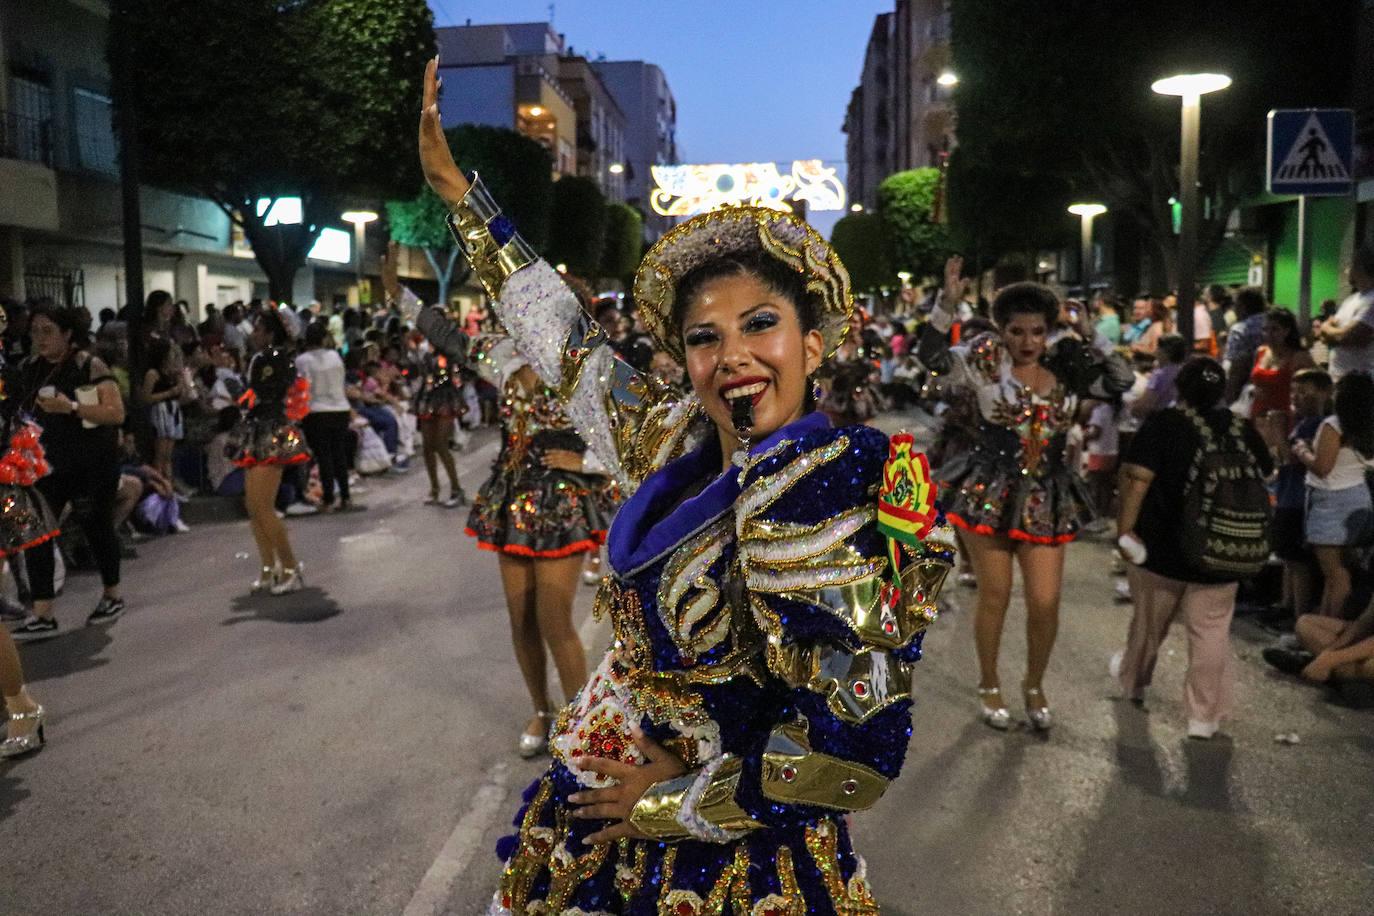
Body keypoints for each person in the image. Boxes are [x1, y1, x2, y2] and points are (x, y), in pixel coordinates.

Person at [416, 58, 952, 912]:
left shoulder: (838, 482)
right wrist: (460, 196)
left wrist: (674, 802)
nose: (732, 353)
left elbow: (855, 754)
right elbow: (564, 342)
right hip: (599, 816)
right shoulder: (672, 436)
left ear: (814, 346)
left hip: (734, 858)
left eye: (761, 324)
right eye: (706, 336)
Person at [930, 257, 1118, 732]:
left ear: (1049, 329)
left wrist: (1094, 335)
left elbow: (1123, 382)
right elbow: (932, 365)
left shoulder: (1070, 362)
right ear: (1002, 329)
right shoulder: (983, 360)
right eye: (1017, 331)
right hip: (989, 487)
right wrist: (944, 308)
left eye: (1037, 331)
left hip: (1048, 493)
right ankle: (990, 683)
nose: (1028, 342)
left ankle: (1034, 685)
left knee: (1045, 601)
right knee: (995, 594)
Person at [1113, 358, 1273, 738]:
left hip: (1165, 547)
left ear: (1179, 389)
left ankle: (1133, 683)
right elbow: (1265, 471)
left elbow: (1137, 478)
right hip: (1224, 546)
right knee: (1212, 631)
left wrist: (1125, 530)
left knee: (1149, 624)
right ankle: (1203, 717)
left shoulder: (1164, 425)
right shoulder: (1242, 428)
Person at [9, 304, 127, 637]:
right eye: (34, 331)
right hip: (46, 466)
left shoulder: (87, 365)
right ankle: (43, 614)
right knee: (37, 533)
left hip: (91, 464)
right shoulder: (28, 368)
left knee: (96, 526)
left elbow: (114, 413)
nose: (39, 338)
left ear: (68, 334)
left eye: (48, 331)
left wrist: (71, 406)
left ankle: (112, 594)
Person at [231, 309, 310, 595]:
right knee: (253, 506)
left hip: (272, 431)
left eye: (258, 329)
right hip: (260, 430)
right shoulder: (263, 358)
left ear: (271, 333)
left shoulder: (274, 359)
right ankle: (268, 568)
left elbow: (273, 395)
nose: (253, 334)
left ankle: (290, 566)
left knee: (262, 506)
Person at [1292, 371, 1374, 619]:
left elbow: (1322, 467)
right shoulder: (1368, 427)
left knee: (1336, 574)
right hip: (1358, 496)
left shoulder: (1335, 425)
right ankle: (1322, 626)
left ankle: (1327, 635)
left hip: (1332, 502)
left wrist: (1302, 450)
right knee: (1338, 573)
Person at [295, 320, 356, 512]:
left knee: (324, 456)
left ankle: (328, 498)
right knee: (339, 454)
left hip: (316, 412)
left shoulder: (303, 360)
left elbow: (303, 386)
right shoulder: (335, 356)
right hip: (340, 409)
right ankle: (345, 497)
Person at [1316, 243, 1374, 381]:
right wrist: (1329, 332)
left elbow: (1346, 337)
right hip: (1338, 378)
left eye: (1350, 267)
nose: (1346, 271)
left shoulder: (1372, 300)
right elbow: (1324, 337)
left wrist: (1327, 329)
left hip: (1361, 384)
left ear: (1359, 268)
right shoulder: (1351, 300)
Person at [1248, 308, 1315, 425]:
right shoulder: (1260, 352)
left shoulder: (1299, 357)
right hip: (1258, 415)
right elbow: (1253, 382)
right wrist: (1253, 391)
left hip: (1284, 418)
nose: (1268, 334)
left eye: (1274, 329)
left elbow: (1316, 386)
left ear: (1287, 331)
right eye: (1265, 329)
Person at [141, 336, 185, 485]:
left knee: (168, 455)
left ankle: (169, 484)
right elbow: (146, 397)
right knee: (160, 454)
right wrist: (169, 393)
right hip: (161, 411)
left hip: (172, 410)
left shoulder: (171, 373)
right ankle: (158, 485)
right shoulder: (153, 374)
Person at [1223, 286, 1268, 401]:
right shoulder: (1274, 324)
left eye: (1235, 306)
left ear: (1242, 307)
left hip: (1247, 391)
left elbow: (1236, 369)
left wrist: (1230, 398)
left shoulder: (1239, 329)